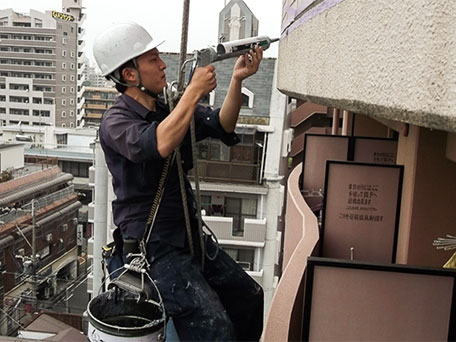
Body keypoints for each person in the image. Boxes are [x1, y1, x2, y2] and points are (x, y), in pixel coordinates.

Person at [93, 22, 264, 341]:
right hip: (155, 247)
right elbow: (157, 143)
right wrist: (194, 92)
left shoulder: (168, 108)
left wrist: (237, 80)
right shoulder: (116, 122)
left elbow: (220, 124)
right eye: (153, 59)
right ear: (130, 75)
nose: (162, 65)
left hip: (186, 237)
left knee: (249, 297)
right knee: (213, 329)